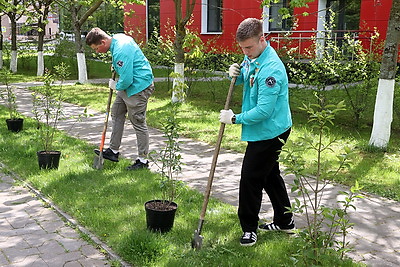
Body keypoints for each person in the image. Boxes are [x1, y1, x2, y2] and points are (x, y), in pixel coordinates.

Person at [219, 18, 295, 246]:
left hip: (271, 132)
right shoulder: (254, 55)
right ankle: (285, 221)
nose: (246, 53)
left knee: (250, 178)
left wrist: (234, 118)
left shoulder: (272, 69)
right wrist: (236, 73)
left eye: (249, 48)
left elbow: (263, 110)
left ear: (263, 39)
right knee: (270, 176)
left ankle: (249, 229)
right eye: (242, 48)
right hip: (266, 128)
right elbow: (248, 74)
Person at [86, 27, 155, 170]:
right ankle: (113, 151)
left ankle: (143, 161)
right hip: (129, 85)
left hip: (139, 86)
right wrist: (117, 68)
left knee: (138, 122)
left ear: (103, 42)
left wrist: (115, 85)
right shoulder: (117, 39)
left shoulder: (120, 51)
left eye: (96, 48)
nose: (96, 51)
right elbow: (126, 64)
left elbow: (127, 79)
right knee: (117, 112)